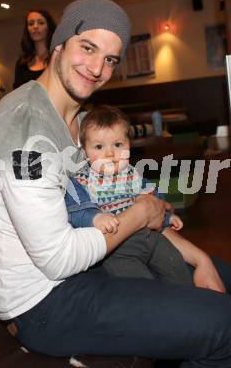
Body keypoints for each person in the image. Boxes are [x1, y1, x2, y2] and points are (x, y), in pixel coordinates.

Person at [0, 0, 231, 366]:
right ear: (59, 44)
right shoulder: (25, 132)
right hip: (47, 303)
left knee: (225, 276)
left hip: (92, 265)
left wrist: (198, 256)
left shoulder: (83, 126)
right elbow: (59, 260)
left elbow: (120, 202)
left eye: (109, 59)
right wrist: (141, 213)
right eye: (87, 48)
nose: (96, 68)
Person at [65, 105, 193, 286]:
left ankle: (186, 298)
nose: (110, 153)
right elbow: (75, 210)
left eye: (118, 145)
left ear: (129, 146)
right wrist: (95, 217)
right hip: (118, 250)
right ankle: (152, 306)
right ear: (85, 152)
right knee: (139, 285)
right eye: (99, 146)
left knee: (176, 264)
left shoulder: (134, 174)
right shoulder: (83, 181)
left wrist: (167, 216)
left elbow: (154, 197)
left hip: (151, 239)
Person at [13, 9, 56, 89]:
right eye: (31, 24)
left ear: (49, 27)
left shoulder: (57, 58)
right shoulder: (21, 63)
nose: (35, 26)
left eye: (41, 23)